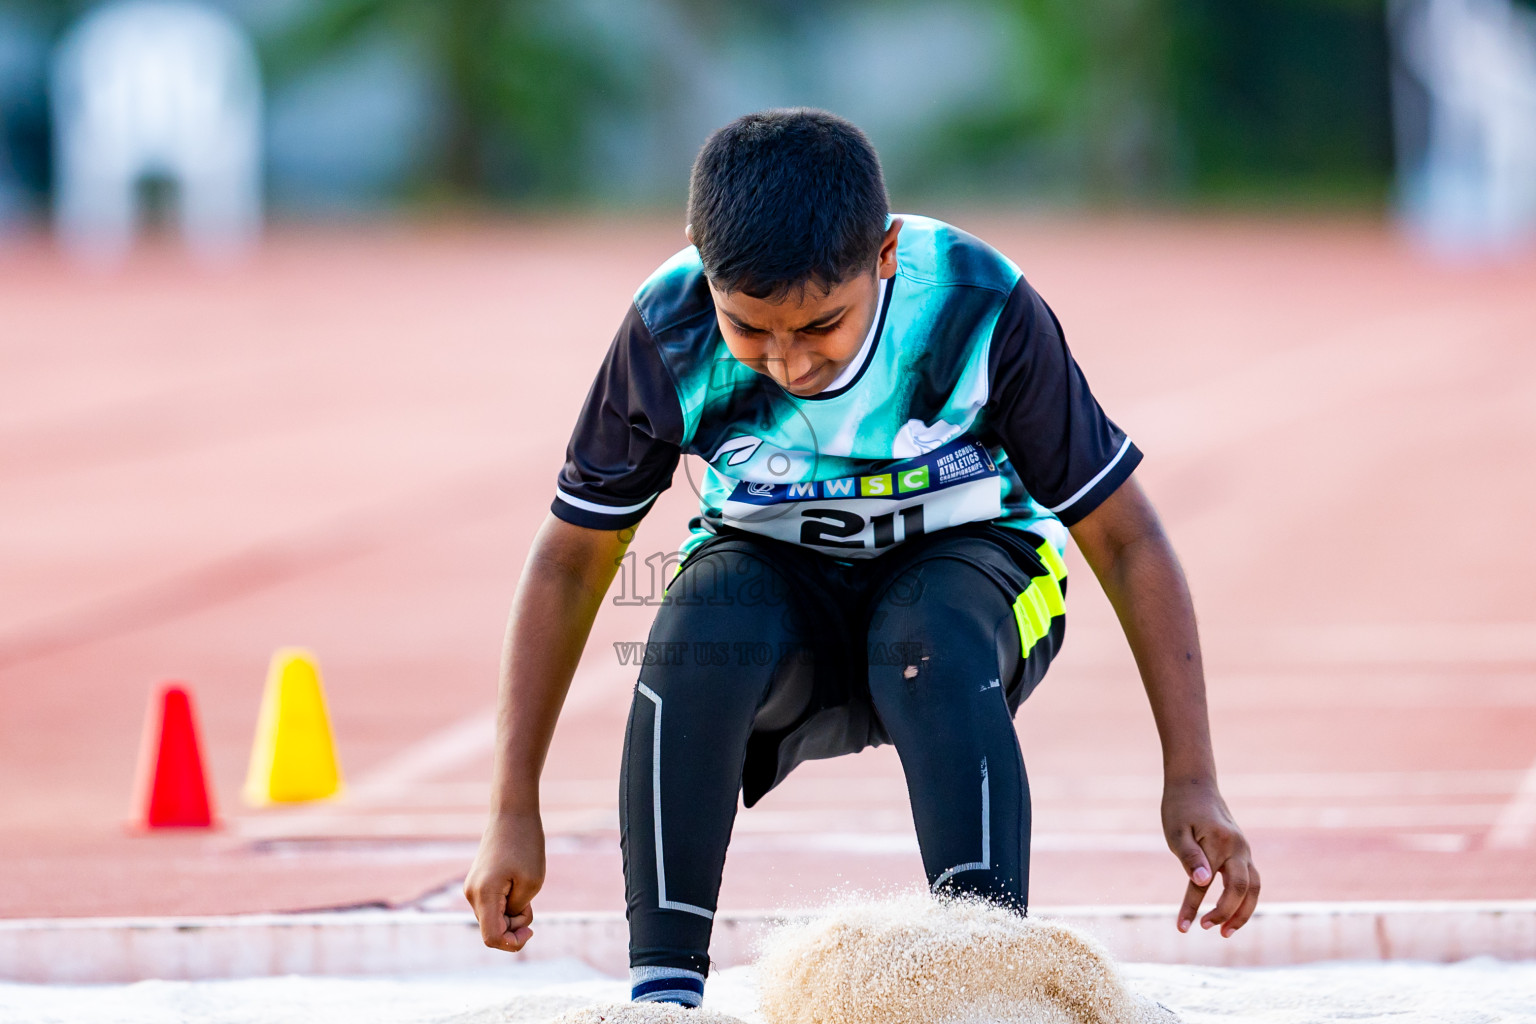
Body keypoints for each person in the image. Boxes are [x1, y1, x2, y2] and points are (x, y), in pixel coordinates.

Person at [465, 108, 1258, 1008]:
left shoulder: (976, 304)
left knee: (927, 631)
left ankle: (985, 985)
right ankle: (664, 993)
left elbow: (1127, 536)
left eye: (821, 327)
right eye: (751, 330)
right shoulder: (668, 329)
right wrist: (511, 810)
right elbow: (571, 561)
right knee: (697, 621)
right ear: (700, 259)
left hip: (972, 583)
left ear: (884, 254)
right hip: (779, 602)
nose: (789, 363)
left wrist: (1192, 779)